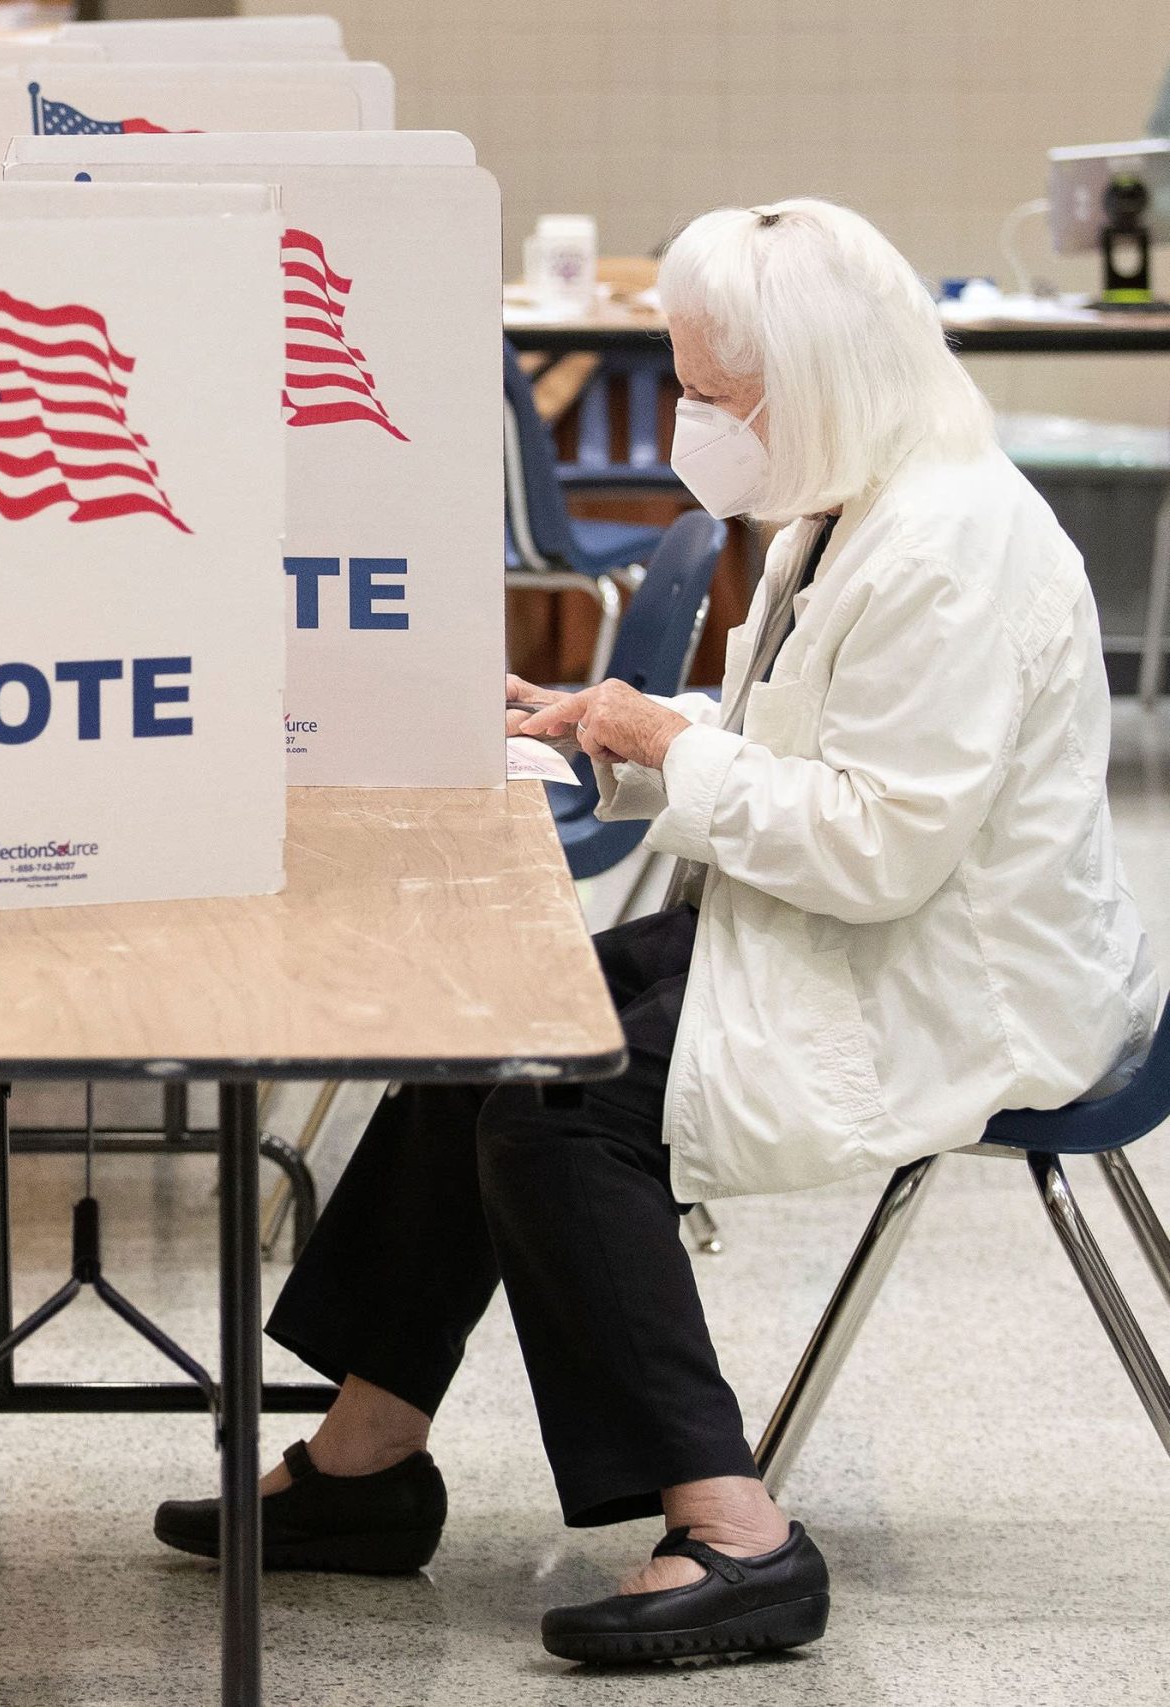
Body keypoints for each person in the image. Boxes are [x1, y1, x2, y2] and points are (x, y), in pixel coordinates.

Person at [153, 198, 1159, 1665]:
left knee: (558, 1100)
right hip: (829, 930)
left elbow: (875, 847)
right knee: (491, 1017)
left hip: (950, 979)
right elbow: (793, 749)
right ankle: (366, 1469)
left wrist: (671, 754)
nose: (690, 419)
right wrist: (617, 734)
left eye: (711, 391)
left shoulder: (954, 549)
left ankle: (738, 1534)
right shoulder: (861, 499)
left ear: (813, 380)